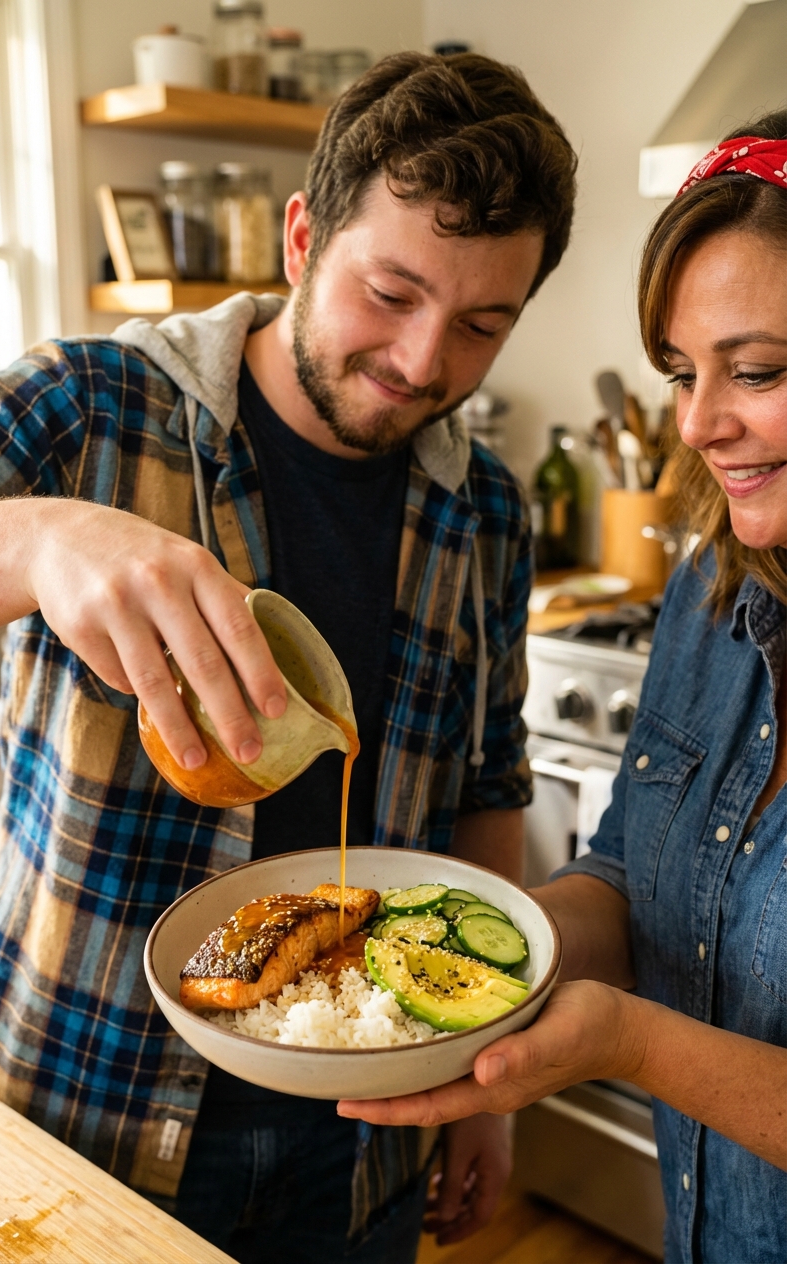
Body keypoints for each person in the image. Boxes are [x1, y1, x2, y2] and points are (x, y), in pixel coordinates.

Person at [0, 54, 578, 1261]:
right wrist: (37, 538)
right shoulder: (89, 409)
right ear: (299, 238)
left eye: (481, 322)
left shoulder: (484, 506)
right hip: (87, 1103)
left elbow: (485, 790)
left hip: (366, 1119)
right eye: (389, 292)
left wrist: (490, 1073)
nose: (421, 362)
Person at [338, 113, 787, 1264]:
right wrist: (485, 949)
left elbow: (638, 1032)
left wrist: (629, 1044)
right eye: (683, 374)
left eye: (757, 371)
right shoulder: (710, 596)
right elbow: (631, 872)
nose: (696, 423)